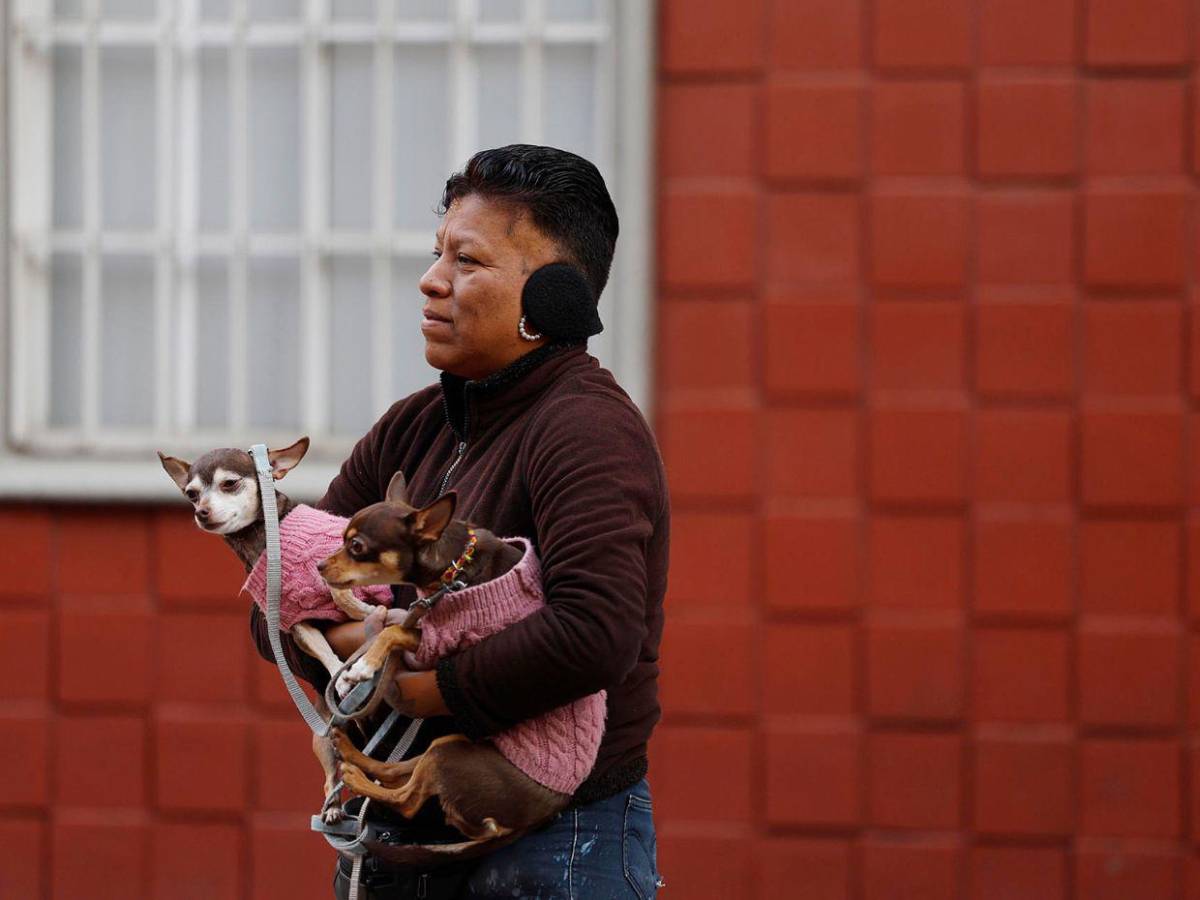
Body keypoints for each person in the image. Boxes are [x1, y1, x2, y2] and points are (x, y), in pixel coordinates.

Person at [249, 144, 669, 899]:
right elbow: (280, 600)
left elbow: (597, 633)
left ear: (554, 299)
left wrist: (417, 686)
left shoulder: (586, 429)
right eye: (435, 252)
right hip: (403, 840)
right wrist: (376, 646)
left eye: (467, 262)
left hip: (555, 844)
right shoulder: (410, 430)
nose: (431, 280)